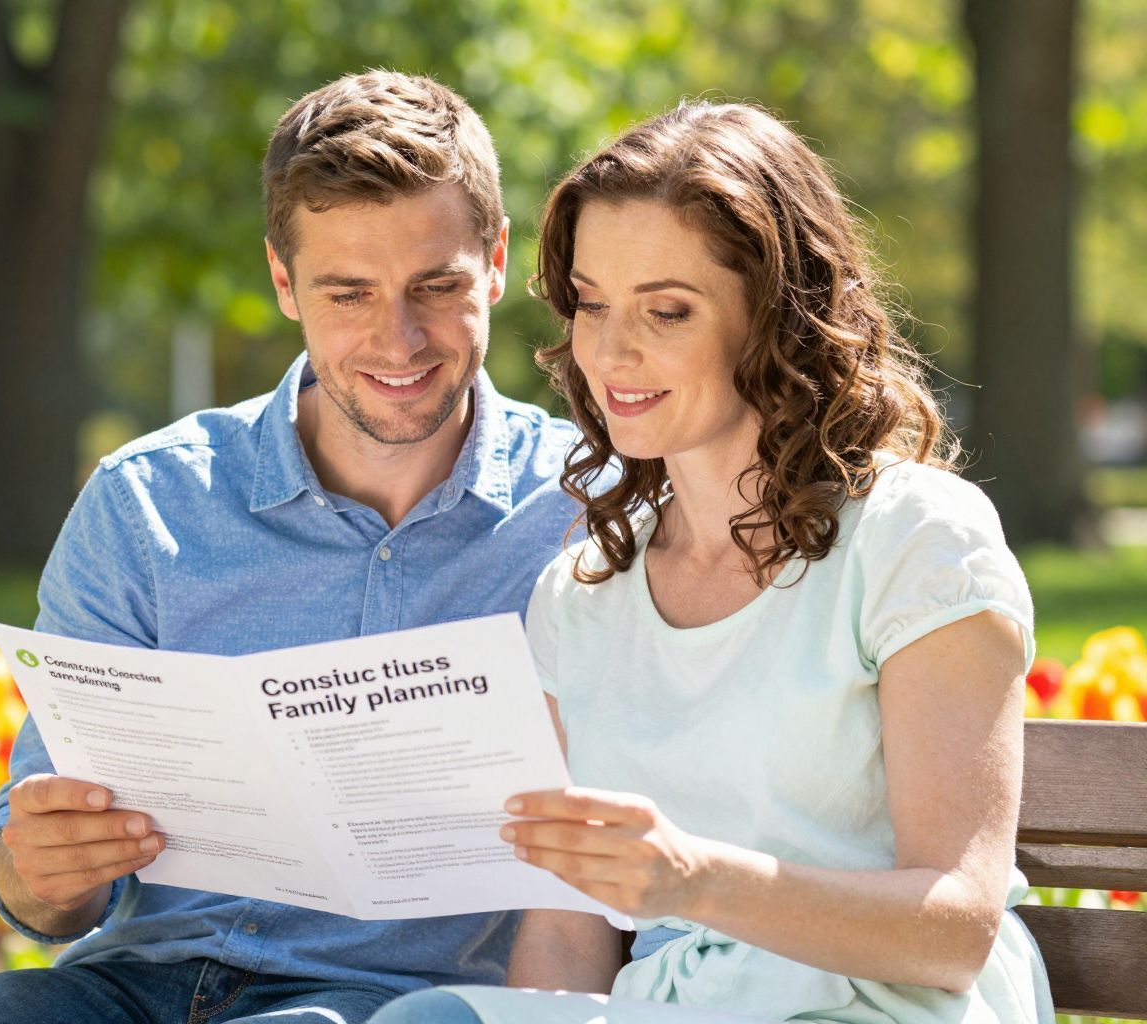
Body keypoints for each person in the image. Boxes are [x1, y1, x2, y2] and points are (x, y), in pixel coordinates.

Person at [0, 71, 582, 1024]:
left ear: (497, 262)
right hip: (127, 986)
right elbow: (39, 891)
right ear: (283, 281)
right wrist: (44, 866)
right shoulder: (147, 503)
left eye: (436, 285)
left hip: (385, 1004)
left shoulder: (586, 513)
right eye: (348, 294)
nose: (399, 338)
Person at [372, 101, 1055, 1024]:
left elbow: (956, 928)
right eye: (593, 303)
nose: (614, 349)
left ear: (775, 319)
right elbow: (569, 935)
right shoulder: (583, 596)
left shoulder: (913, 538)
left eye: (668, 309)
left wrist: (695, 881)